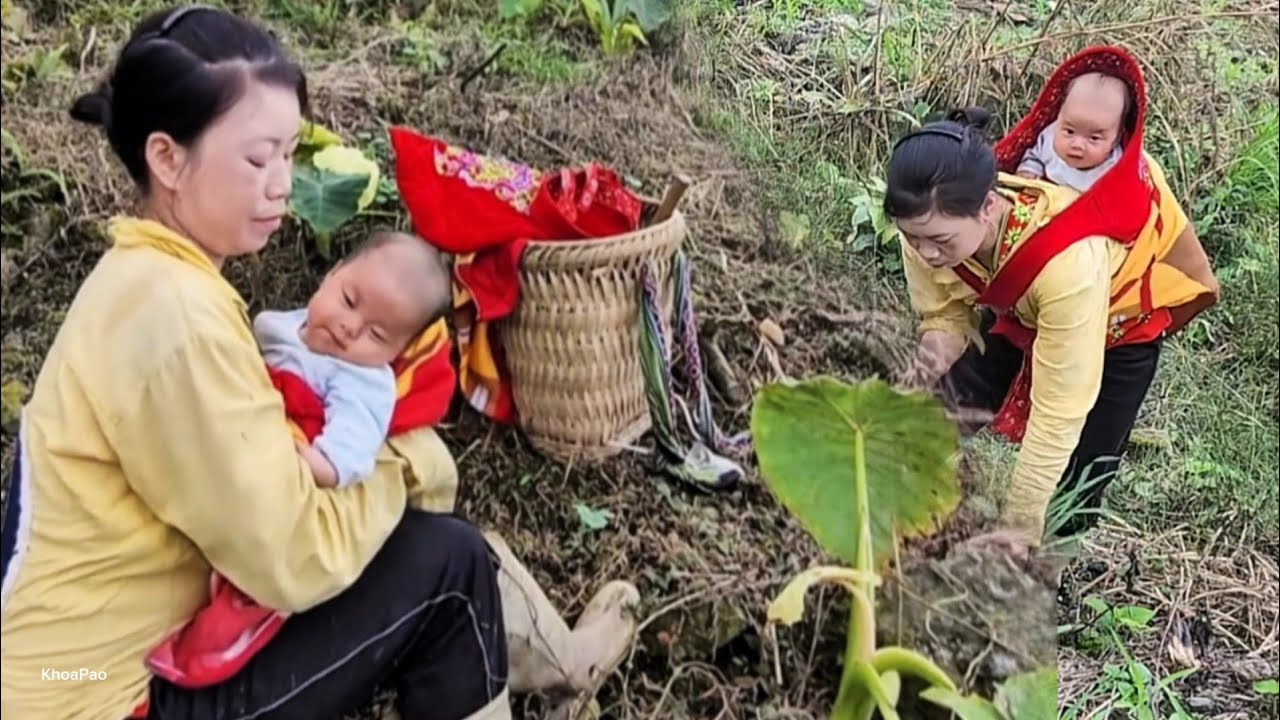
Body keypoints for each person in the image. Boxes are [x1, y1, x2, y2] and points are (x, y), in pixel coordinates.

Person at [0, 6, 637, 720]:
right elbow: (293, 555)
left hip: (61, 673)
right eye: (255, 157)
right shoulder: (175, 317)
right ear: (167, 158)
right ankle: (546, 666)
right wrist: (401, 462)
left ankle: (552, 664)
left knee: (416, 539)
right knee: (448, 563)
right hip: (94, 700)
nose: (280, 184)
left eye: (288, 155)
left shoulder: (148, 277)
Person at [888, 106, 1219, 553]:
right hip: (1018, 304)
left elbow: (1057, 413)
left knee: (1086, 468)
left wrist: (1020, 523)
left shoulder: (1067, 263)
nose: (925, 253)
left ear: (988, 207)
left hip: (1117, 326)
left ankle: (1049, 573)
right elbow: (945, 320)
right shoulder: (929, 231)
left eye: (939, 242)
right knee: (946, 405)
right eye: (913, 239)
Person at [258, 230, 452, 488]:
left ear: (398, 351)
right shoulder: (283, 325)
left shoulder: (362, 379)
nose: (350, 326)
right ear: (331, 275)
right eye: (349, 301)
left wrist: (323, 464)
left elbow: (354, 435)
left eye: (376, 334)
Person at [1016, 72, 1128, 192]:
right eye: (1070, 131)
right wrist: (1028, 172)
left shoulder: (1116, 167)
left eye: (1094, 138)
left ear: (1116, 139)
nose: (1077, 144)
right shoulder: (1050, 138)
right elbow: (1035, 157)